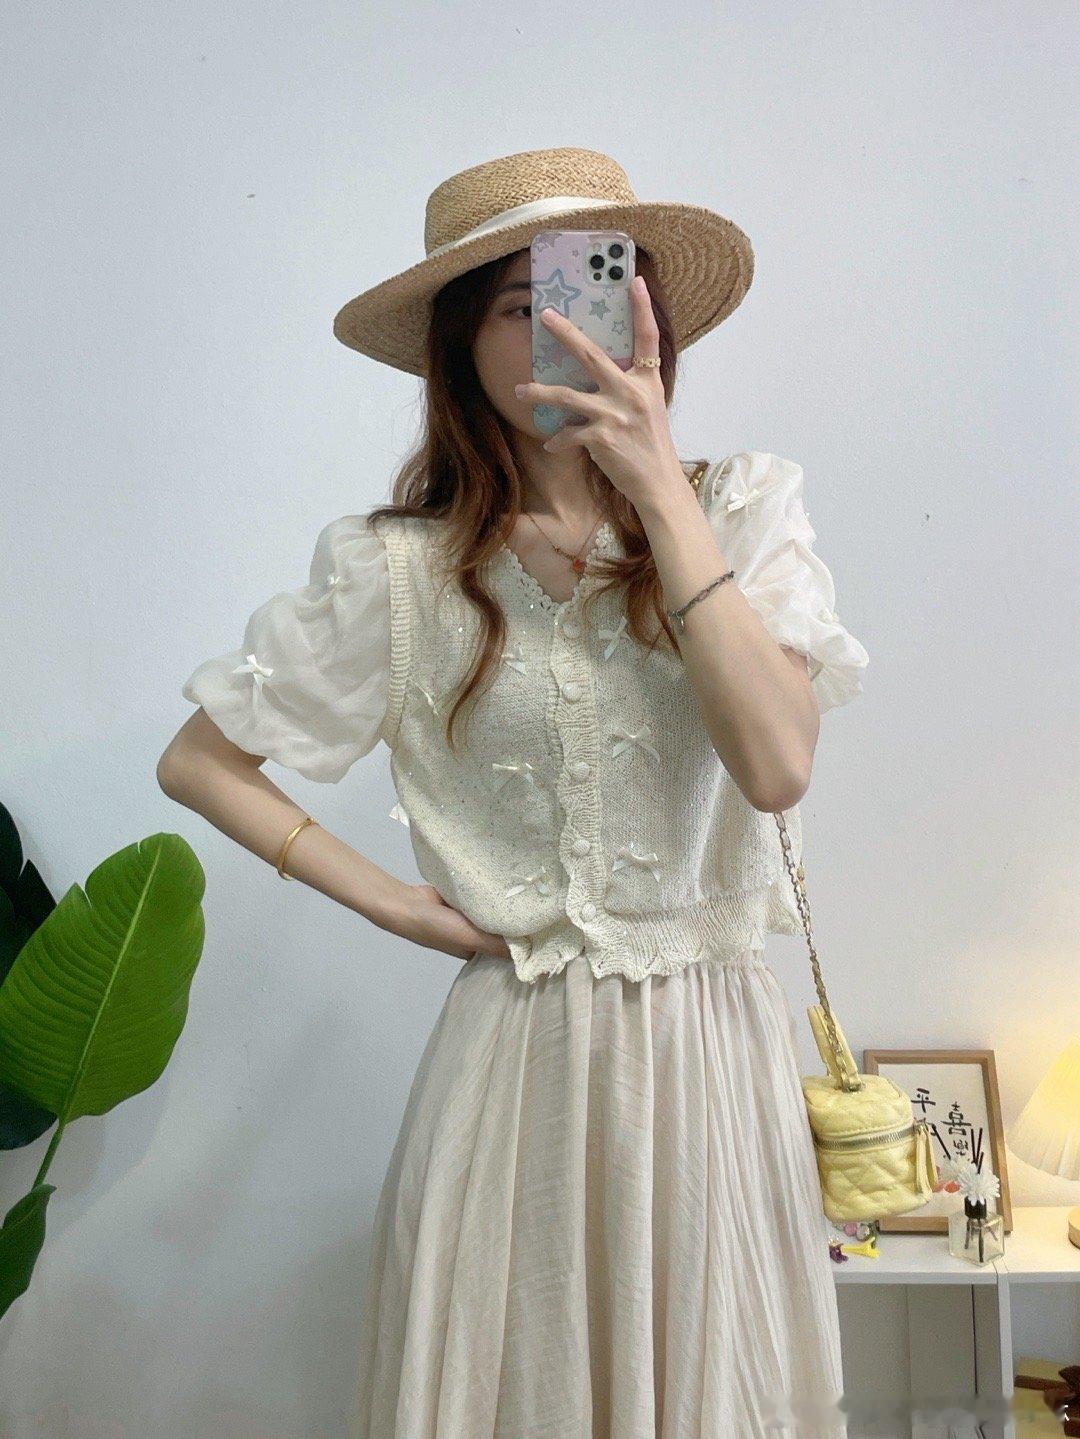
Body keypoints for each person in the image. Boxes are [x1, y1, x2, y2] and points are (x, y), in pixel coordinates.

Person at [159, 147, 869, 1438]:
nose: (565, 330)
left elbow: (776, 766)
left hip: (710, 1059)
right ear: (459, 345)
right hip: (517, 1055)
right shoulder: (400, 570)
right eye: (520, 305)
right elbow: (200, 760)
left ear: (651, 323)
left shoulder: (744, 509)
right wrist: (396, 905)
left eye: (599, 292)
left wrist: (657, 487)